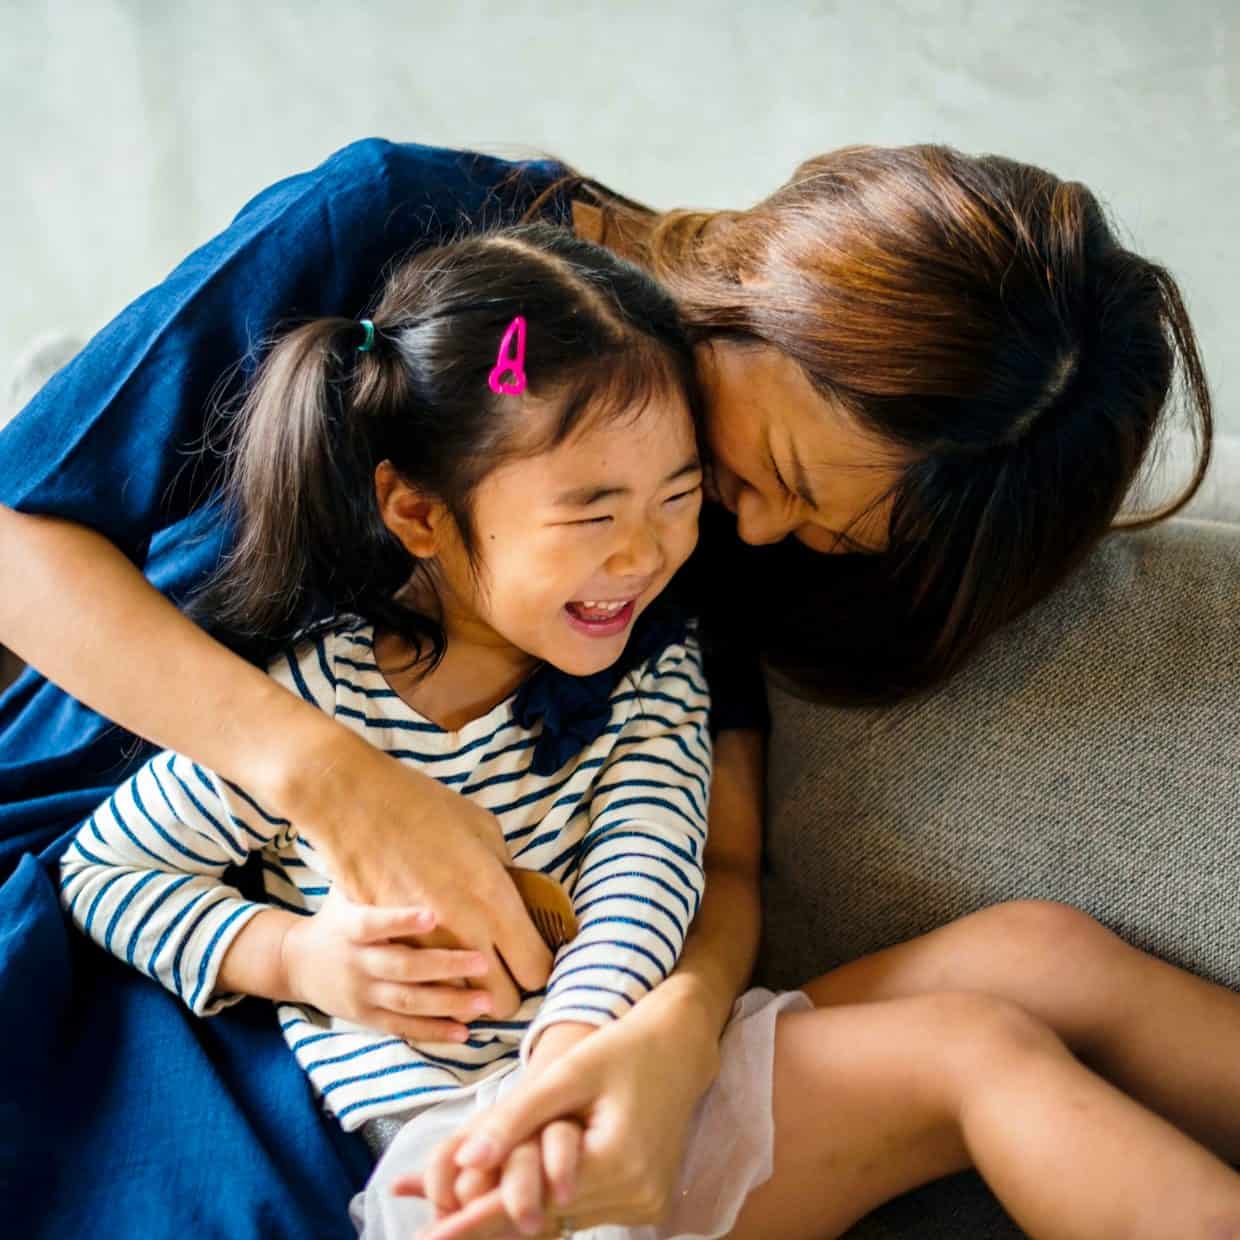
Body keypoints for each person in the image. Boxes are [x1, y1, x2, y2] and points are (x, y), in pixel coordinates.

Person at [0, 138, 1215, 1236]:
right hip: (152, 914)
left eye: (831, 536)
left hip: (571, 1003)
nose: (754, 522)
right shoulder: (391, 230)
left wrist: (665, 1045)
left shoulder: (680, 546)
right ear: (766, 295)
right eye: (782, 468)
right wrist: (334, 782)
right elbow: (17, 533)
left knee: (1044, 961)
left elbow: (703, 853)